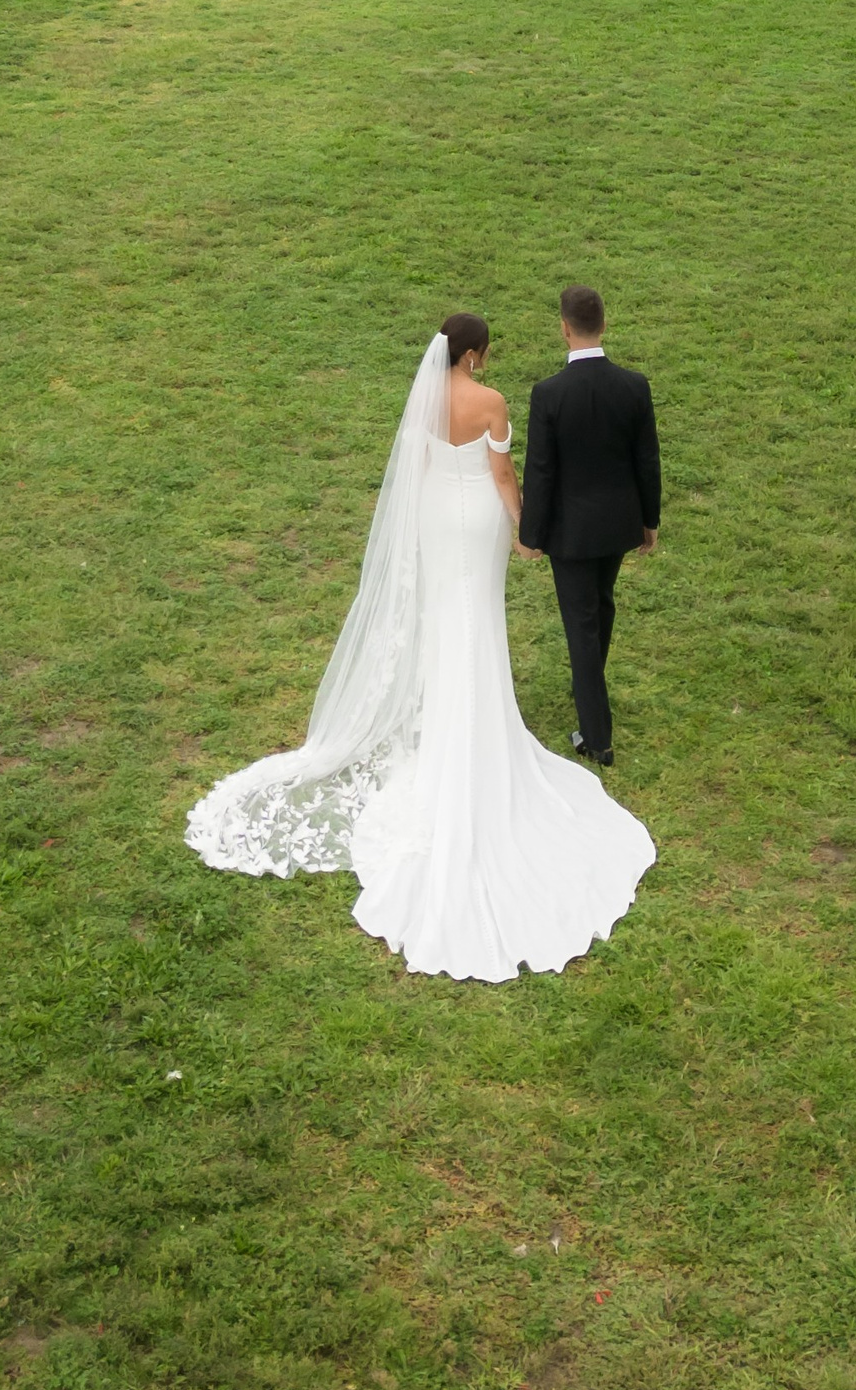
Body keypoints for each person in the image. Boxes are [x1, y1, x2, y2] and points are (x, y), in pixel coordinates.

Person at [185, 315, 654, 983]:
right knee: (478, 619)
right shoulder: (489, 402)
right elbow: (499, 475)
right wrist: (527, 530)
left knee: (446, 620)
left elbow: (420, 466)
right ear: (474, 352)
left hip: (436, 516)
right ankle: (478, 727)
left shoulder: (423, 397)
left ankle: (448, 724)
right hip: (476, 521)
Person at [517, 284, 661, 768]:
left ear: (563, 327)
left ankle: (596, 738)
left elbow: (540, 471)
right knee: (601, 609)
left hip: (571, 535)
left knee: (583, 625)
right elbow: (648, 460)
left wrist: (530, 535)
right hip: (618, 527)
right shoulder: (634, 386)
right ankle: (591, 689)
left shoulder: (549, 394)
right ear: (604, 324)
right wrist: (649, 520)